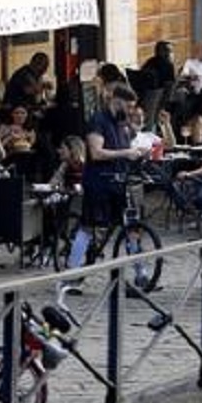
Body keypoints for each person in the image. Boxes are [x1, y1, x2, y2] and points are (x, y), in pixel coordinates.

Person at [71, 84, 147, 271]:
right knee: (89, 226)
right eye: (128, 106)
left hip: (119, 182)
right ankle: (72, 272)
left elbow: (125, 146)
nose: (130, 111)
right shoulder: (98, 120)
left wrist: (136, 152)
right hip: (98, 182)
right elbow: (96, 153)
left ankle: (141, 273)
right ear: (116, 101)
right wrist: (125, 152)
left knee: (131, 227)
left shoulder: (121, 124)